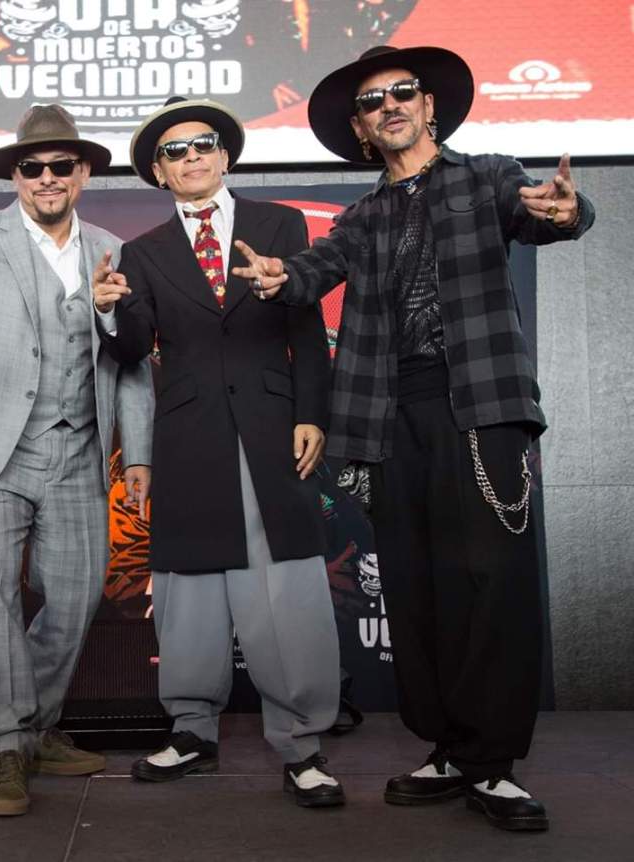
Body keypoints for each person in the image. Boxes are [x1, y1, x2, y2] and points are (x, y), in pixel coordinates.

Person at [233, 45, 595, 832]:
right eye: (373, 101)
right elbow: (311, 272)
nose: (389, 105)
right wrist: (278, 279)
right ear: (362, 130)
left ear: (429, 107)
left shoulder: (488, 177)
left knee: (491, 582)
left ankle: (493, 763)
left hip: (481, 407)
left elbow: (546, 214)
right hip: (388, 416)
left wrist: (567, 211)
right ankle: (446, 749)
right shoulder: (363, 217)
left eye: (403, 92)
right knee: (417, 585)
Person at [0, 104, 154, 817]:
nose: (46, 177)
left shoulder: (112, 249)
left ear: (83, 174)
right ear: (15, 175)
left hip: (78, 450)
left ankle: (35, 727)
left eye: (60, 165)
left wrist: (138, 453)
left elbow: (130, 360)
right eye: (32, 166)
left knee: (76, 597)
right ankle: (4, 747)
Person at [93, 97, 345, 807]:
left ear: (225, 156)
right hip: (188, 434)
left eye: (203, 143)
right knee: (189, 589)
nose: (192, 156)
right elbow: (133, 348)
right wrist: (107, 309)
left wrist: (311, 413)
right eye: (174, 151)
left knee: (285, 582)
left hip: (271, 426)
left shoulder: (279, 224)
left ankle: (302, 743)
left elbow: (305, 325)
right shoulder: (142, 253)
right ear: (160, 173)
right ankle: (191, 730)